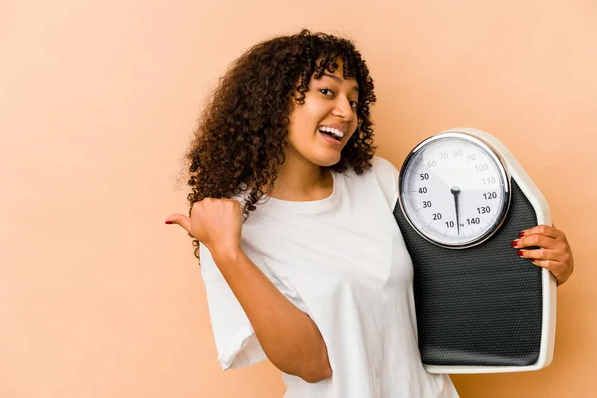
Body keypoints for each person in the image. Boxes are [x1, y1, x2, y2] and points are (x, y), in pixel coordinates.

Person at [165, 29, 574, 397]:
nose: (346, 112)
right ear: (271, 101)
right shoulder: (228, 223)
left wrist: (538, 268)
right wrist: (228, 254)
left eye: (354, 100)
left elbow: (449, 288)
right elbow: (311, 365)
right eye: (327, 91)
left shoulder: (375, 180)